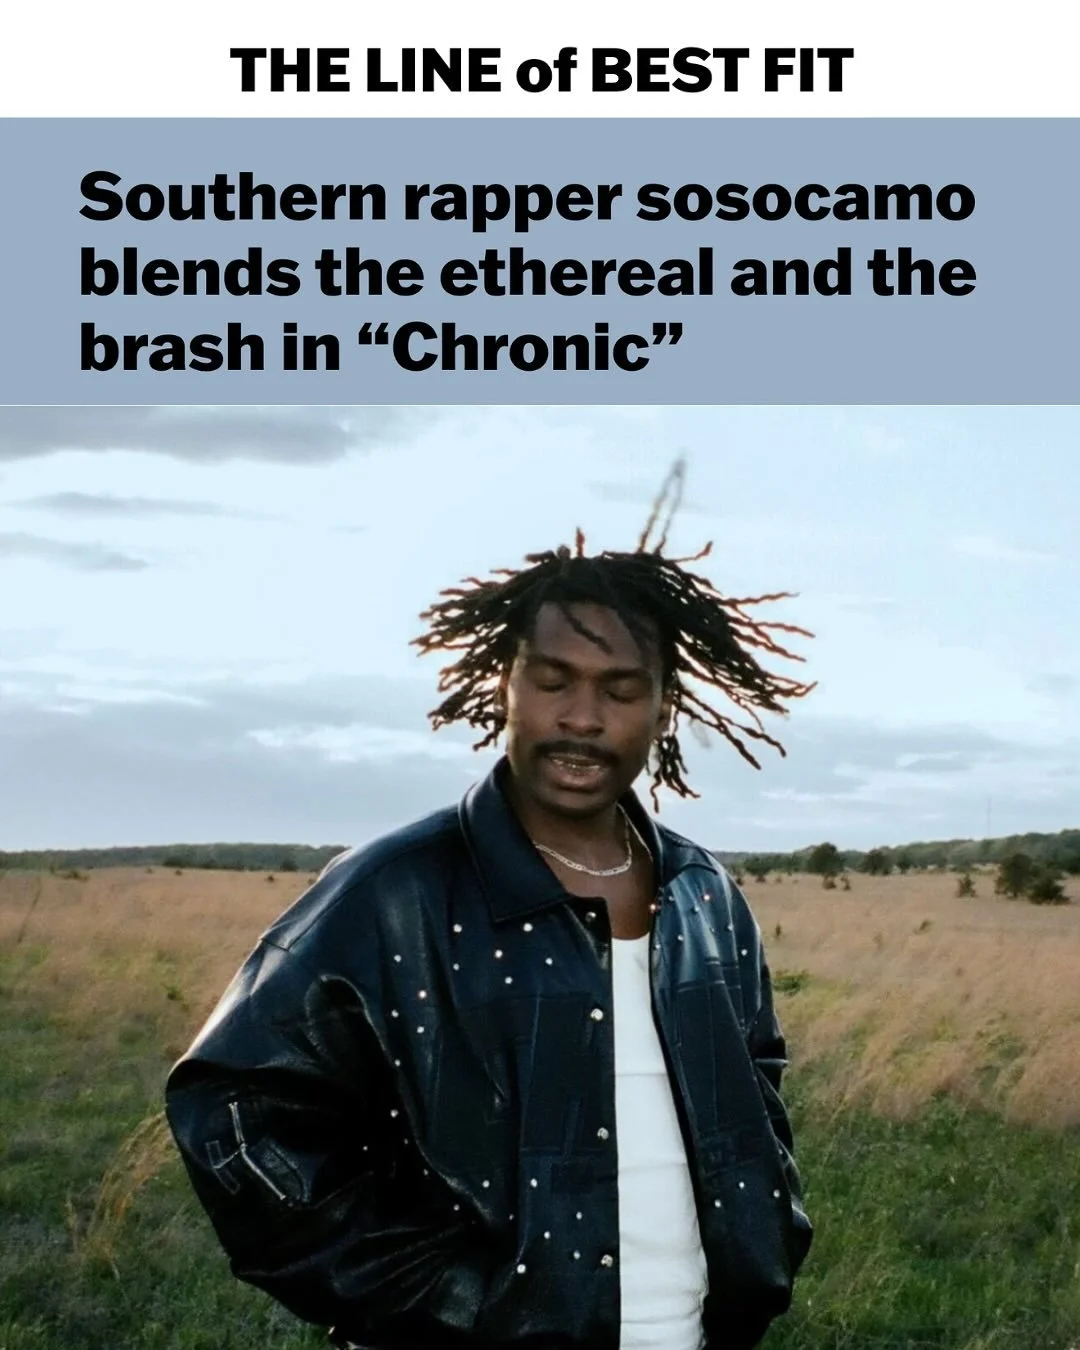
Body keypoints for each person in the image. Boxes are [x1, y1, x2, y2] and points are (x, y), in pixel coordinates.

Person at [165, 462, 816, 1350]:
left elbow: (756, 1078)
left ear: (664, 709)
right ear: (502, 684)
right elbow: (234, 1115)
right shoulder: (392, 889)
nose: (583, 716)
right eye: (553, 679)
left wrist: (764, 1231)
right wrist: (450, 1298)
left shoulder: (703, 894)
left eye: (621, 690)